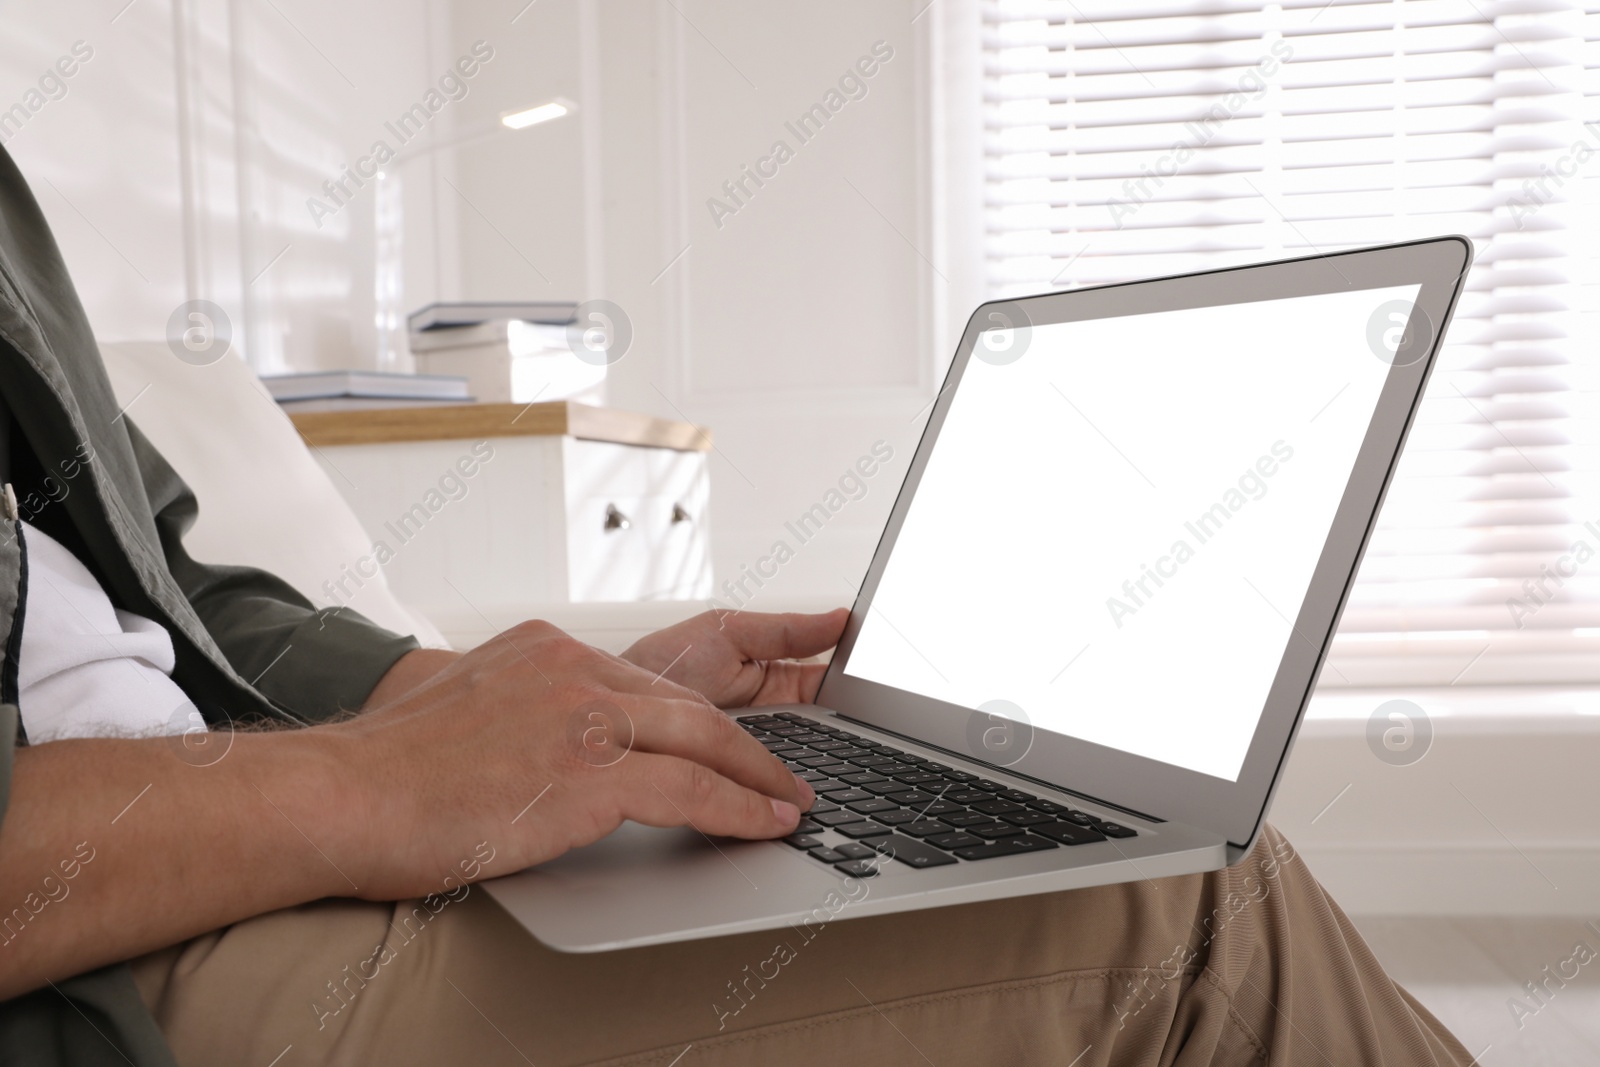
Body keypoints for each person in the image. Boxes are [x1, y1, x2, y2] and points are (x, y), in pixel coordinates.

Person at [0, 143, 1471, 1066]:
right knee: (1194, 900)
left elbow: (180, 591)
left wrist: (571, 710)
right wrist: (363, 787)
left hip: (243, 835)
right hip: (120, 957)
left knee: (1068, 843)